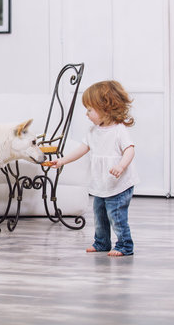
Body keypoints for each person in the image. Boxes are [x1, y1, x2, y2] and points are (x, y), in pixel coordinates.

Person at [50, 80, 139, 256]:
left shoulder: (118, 131)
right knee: (100, 216)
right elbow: (82, 150)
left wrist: (121, 166)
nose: (86, 114)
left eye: (90, 109)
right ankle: (102, 242)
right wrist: (62, 161)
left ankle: (124, 245)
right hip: (101, 185)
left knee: (116, 216)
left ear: (106, 108)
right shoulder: (92, 131)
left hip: (119, 184)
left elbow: (130, 149)